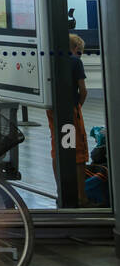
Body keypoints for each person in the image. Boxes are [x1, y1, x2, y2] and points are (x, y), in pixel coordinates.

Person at [46, 34, 89, 206]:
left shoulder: (52, 60)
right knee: (77, 151)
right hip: (70, 111)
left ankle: (61, 191)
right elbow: (83, 90)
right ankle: (80, 196)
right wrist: (78, 107)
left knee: (59, 146)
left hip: (53, 111)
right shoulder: (75, 62)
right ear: (76, 48)